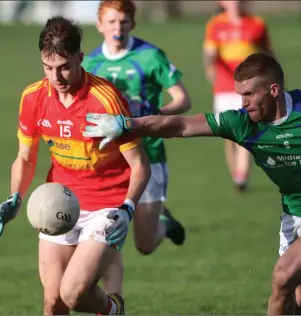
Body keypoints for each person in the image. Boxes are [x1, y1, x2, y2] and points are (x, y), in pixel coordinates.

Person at [83, 53, 301, 315]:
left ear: (273, 89)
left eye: (248, 94)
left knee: (283, 276)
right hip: (293, 216)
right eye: (239, 95)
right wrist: (126, 124)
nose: (243, 103)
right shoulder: (242, 123)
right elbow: (180, 125)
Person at [0, 16, 151, 315]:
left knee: (74, 294)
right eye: (48, 67)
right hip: (59, 202)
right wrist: (15, 197)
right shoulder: (33, 97)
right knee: (53, 302)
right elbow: (25, 158)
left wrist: (127, 209)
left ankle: (113, 310)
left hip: (107, 206)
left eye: (64, 66)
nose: (56, 76)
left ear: (80, 57)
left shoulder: (105, 99)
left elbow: (141, 164)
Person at [81, 0, 190, 295]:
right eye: (112, 22)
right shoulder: (90, 65)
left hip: (149, 154)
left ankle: (164, 224)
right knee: (103, 233)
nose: (118, 28)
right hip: (108, 160)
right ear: (100, 25)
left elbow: (183, 100)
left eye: (124, 22)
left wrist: (152, 121)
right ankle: (110, 300)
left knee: (144, 244)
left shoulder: (150, 56)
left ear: (133, 24)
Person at [204, 0, 273, 192]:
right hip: (224, 87)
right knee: (228, 134)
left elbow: (268, 53)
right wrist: (210, 66)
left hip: (250, 86)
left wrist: (275, 76)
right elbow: (210, 52)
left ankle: (242, 177)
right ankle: (236, 174)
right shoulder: (215, 24)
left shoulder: (257, 23)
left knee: (245, 130)